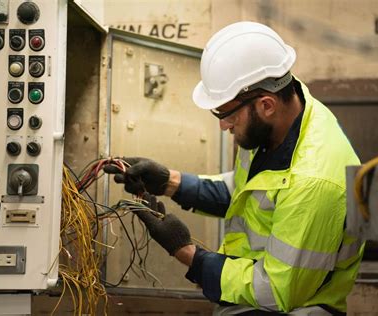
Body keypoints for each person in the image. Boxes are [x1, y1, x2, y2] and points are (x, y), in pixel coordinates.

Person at [105, 21, 364, 315]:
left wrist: (186, 252)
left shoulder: (313, 182)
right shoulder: (279, 120)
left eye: (227, 114)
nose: (222, 125)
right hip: (250, 300)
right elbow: (246, 191)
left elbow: (275, 290)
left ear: (266, 104)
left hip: (295, 307)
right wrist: (170, 182)